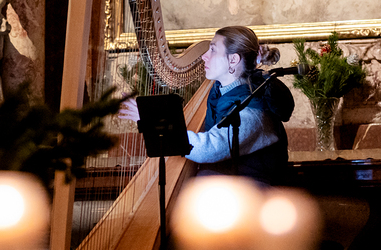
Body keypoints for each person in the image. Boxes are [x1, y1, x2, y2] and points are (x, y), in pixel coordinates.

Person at [121, 26, 294, 185]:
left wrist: (152, 121)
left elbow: (208, 149)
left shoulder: (253, 109)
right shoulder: (221, 94)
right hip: (232, 188)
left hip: (252, 195)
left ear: (233, 59)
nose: (204, 56)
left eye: (213, 50)